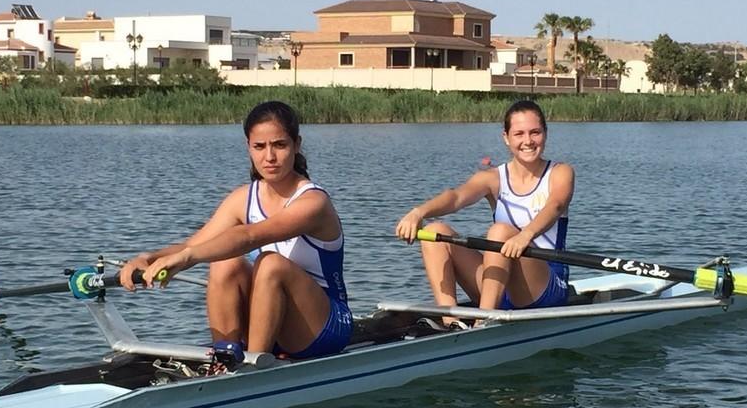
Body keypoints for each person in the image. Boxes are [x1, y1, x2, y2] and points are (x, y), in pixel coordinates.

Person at [119, 101, 352, 359]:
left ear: (297, 145)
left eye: (280, 145)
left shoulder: (313, 202)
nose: (269, 157)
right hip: (272, 321)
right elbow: (194, 244)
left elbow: (250, 236)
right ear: (248, 147)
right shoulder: (243, 198)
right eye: (259, 147)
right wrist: (147, 258)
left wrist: (188, 258)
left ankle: (252, 368)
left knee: (270, 264)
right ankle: (225, 358)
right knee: (223, 261)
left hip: (326, 327)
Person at [394, 99, 574, 326]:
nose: (527, 141)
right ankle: (450, 321)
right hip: (501, 285)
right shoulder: (492, 178)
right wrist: (418, 213)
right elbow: (456, 197)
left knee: (500, 232)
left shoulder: (561, 172)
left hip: (546, 286)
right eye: (519, 134)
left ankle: (482, 322)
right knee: (434, 231)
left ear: (545, 134)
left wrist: (524, 236)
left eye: (535, 132)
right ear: (506, 138)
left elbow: (556, 205)